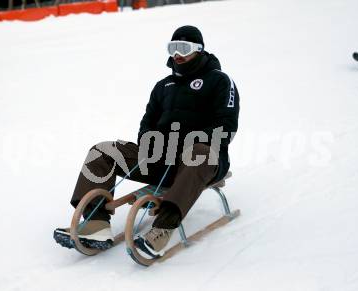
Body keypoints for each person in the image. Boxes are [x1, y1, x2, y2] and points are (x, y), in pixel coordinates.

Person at [54, 25, 240, 257]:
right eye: (172, 48)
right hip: (161, 159)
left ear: (199, 50)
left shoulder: (220, 81)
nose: (177, 54)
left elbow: (227, 128)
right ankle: (96, 223)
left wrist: (187, 143)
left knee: (199, 153)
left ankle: (162, 228)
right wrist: (150, 144)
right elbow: (147, 124)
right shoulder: (163, 86)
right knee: (102, 152)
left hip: (203, 161)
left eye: (183, 48)